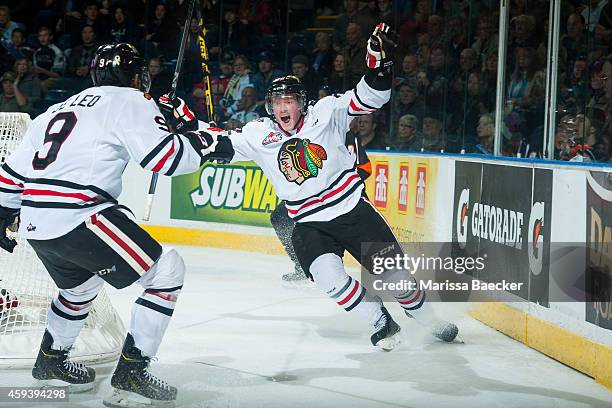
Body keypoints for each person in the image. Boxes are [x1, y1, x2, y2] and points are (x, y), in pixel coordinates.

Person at [180, 23, 459, 349]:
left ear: (301, 102)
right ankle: (381, 322)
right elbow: (219, 143)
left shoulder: (328, 112)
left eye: (289, 101)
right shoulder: (259, 134)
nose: (283, 108)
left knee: (397, 281)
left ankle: (426, 319)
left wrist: (378, 62)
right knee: (328, 277)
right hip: (309, 222)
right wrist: (183, 119)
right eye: (277, 102)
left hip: (352, 213)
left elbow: (372, 96)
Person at [0, 43, 230, 406]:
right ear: (134, 75)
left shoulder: (57, 108)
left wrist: (1, 214)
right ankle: (131, 374)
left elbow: (11, 174)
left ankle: (51, 363)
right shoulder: (130, 100)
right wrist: (205, 141)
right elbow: (165, 158)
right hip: (79, 212)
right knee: (167, 271)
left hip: (36, 221)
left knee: (79, 289)